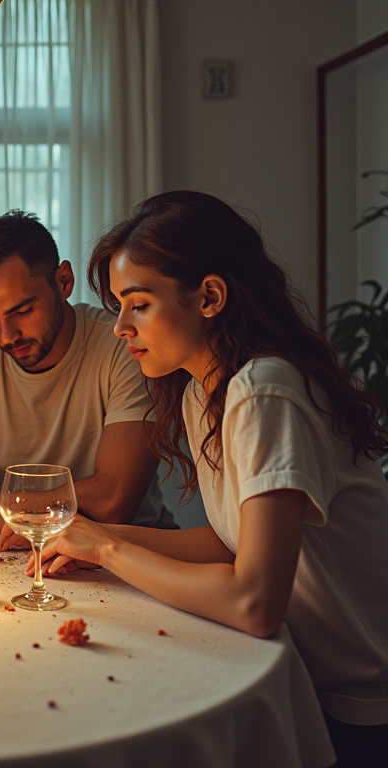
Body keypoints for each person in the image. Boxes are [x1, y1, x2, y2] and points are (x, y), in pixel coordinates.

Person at [36, 190, 388, 765]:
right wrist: (96, 540)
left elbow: (253, 603)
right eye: (119, 306)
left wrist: (105, 544)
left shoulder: (263, 390)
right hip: (309, 673)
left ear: (210, 297)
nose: (120, 326)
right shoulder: (205, 389)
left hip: (361, 700)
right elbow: (230, 545)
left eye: (138, 304)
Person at [0, 210, 174, 538]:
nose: (6, 336)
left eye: (22, 310)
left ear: (63, 281)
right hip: (11, 550)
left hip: (133, 551)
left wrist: (10, 510)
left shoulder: (124, 345)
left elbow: (113, 500)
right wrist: (5, 512)